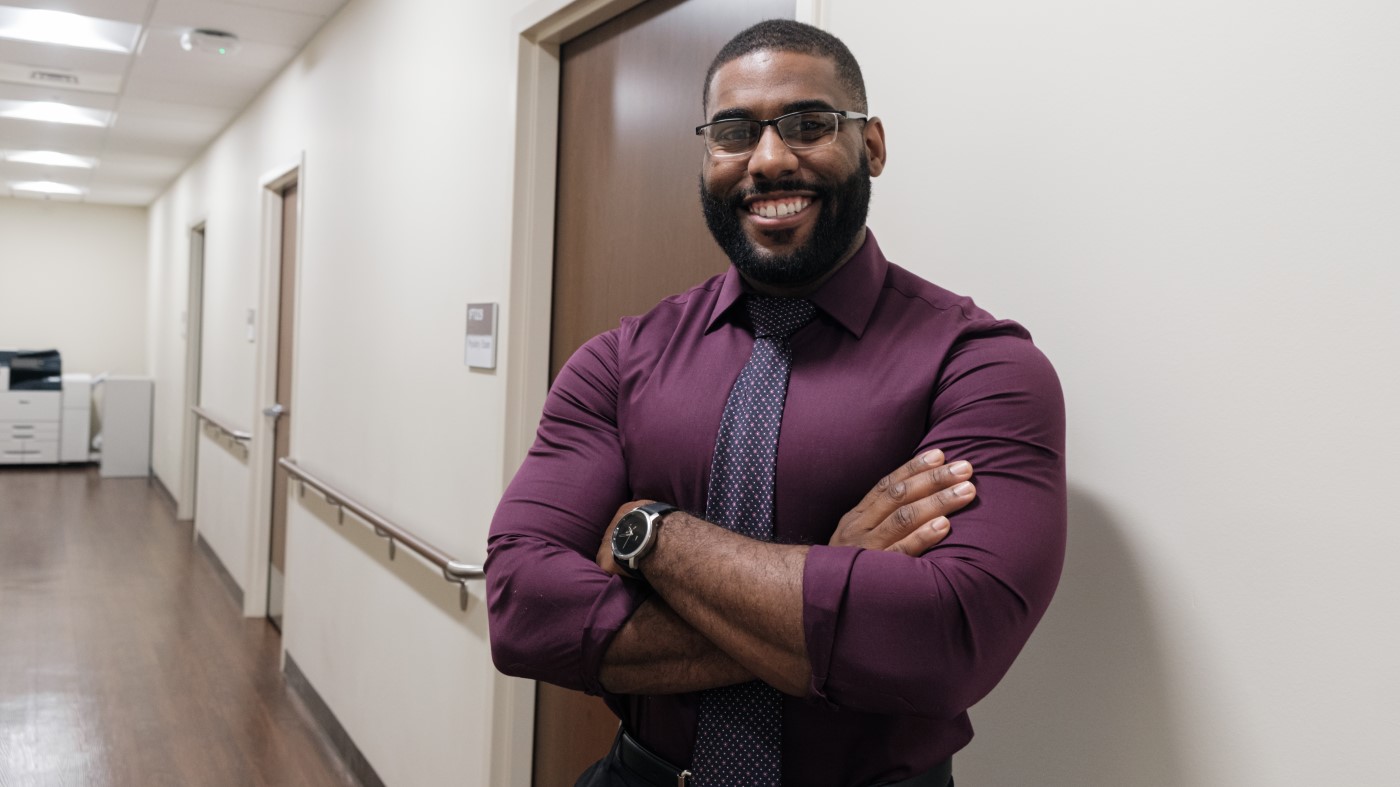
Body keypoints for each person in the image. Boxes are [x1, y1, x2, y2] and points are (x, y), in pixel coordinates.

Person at [487, 19, 1066, 787]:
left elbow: (947, 643)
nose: (767, 159)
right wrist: (834, 585)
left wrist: (649, 534)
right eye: (734, 132)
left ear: (874, 146)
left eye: (808, 124)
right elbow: (522, 610)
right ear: (708, 156)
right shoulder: (619, 361)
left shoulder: (981, 365)